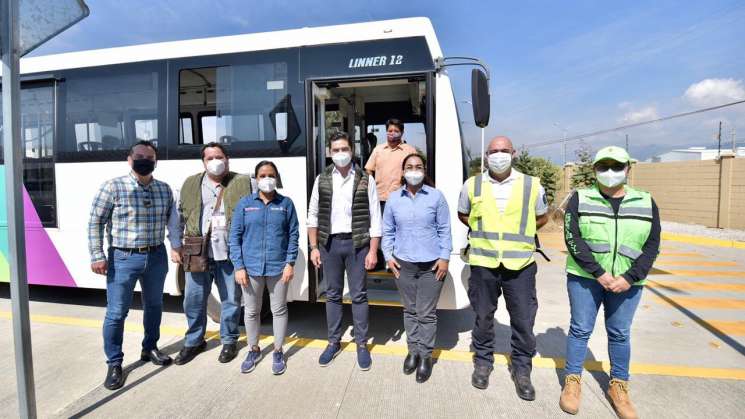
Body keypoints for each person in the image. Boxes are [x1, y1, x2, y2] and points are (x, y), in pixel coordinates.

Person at [559, 146, 659, 419]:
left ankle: (619, 386)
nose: (610, 172)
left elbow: (652, 245)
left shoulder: (645, 201)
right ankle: (572, 381)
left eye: (617, 166)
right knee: (580, 330)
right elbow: (573, 239)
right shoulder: (580, 198)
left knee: (620, 333)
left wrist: (629, 278)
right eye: (604, 166)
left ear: (628, 169)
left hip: (628, 284)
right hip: (586, 278)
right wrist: (599, 273)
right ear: (594, 170)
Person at [457, 136, 549, 399]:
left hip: (519, 264)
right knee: (483, 317)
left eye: (504, 151)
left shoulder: (531, 185)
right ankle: (483, 363)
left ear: (514, 153)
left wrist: (523, 234)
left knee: (522, 320)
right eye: (493, 151)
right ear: (486, 156)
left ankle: (522, 370)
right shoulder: (472, 185)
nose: (499, 155)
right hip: (483, 263)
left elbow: (542, 216)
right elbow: (463, 213)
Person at [88, 140, 182, 391]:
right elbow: (95, 223)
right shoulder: (113, 187)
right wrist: (97, 255)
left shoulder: (164, 189)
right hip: (123, 258)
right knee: (117, 312)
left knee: (154, 306)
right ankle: (115, 363)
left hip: (156, 256)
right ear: (129, 159)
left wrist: (175, 246)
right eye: (139, 156)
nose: (144, 160)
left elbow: (172, 222)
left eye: (149, 157)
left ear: (155, 161)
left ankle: (149, 347)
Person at [308, 131, 382, 370]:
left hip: (357, 244)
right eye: (336, 150)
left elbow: (375, 218)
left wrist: (373, 251)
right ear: (329, 152)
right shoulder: (322, 179)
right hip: (329, 244)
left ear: (352, 150)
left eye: (344, 149)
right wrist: (314, 247)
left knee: (359, 295)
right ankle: (333, 342)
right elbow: (313, 216)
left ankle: (361, 344)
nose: (340, 154)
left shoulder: (364, 179)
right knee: (333, 294)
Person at [173, 142, 252, 366]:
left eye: (219, 157)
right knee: (193, 300)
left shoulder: (244, 182)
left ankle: (229, 340)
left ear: (227, 159)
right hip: (197, 252)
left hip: (228, 253)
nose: (215, 161)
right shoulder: (190, 184)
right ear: (203, 162)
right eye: (210, 158)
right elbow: (178, 217)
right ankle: (194, 341)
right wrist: (175, 245)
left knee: (231, 300)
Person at [382, 153, 452, 383]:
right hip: (404, 265)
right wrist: (388, 256)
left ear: (424, 170)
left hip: (432, 266)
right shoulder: (394, 199)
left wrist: (444, 258)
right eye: (409, 167)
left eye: (418, 167)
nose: (414, 170)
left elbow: (444, 229)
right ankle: (412, 351)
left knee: (427, 314)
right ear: (403, 172)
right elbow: (388, 231)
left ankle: (425, 356)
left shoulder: (436, 197)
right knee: (410, 311)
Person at [229, 161, 299, 375]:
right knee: (251, 311)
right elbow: (235, 237)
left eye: (271, 175)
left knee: (278, 310)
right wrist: (239, 266)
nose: (266, 178)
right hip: (250, 268)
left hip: (279, 268)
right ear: (256, 178)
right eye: (262, 175)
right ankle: (254, 349)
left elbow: (294, 235)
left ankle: (278, 351)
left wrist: (290, 263)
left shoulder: (286, 204)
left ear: (276, 178)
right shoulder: (245, 204)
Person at [364, 118, 416, 211]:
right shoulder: (378, 150)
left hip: (403, 199)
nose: (392, 133)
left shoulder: (410, 150)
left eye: (396, 131)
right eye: (390, 131)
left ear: (402, 132)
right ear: (386, 131)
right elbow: (369, 169)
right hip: (380, 200)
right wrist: (370, 188)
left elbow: (416, 172)